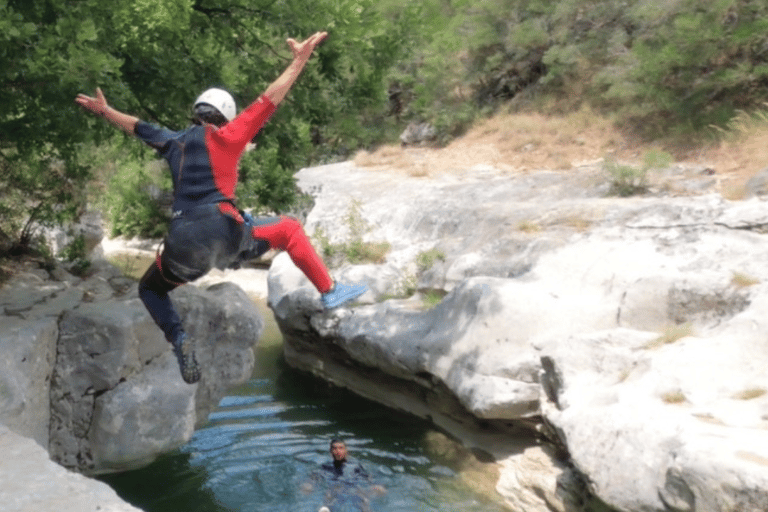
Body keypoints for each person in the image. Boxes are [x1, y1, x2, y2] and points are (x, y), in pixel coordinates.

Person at [75, 32, 367, 384]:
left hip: (181, 244)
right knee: (287, 229)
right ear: (224, 118)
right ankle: (329, 290)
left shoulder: (173, 141)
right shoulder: (229, 136)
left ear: (197, 112)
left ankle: (179, 337)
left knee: (150, 289)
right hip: (224, 232)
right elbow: (269, 99)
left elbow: (136, 126)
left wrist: (105, 111)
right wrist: (299, 60)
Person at [303, 439, 386, 512]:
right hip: (336, 486)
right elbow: (315, 475)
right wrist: (309, 484)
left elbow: (368, 476)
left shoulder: (356, 465)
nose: (338, 451)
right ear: (331, 451)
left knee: (362, 498)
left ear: (346, 451)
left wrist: (377, 485)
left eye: (341, 448)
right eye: (334, 448)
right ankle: (325, 509)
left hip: (355, 485)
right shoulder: (326, 466)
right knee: (329, 494)